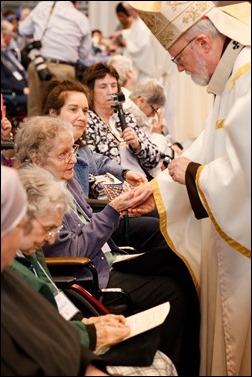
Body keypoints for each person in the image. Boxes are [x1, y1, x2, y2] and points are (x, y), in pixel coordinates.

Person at [14, 115, 201, 376]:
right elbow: (73, 252)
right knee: (172, 290)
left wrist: (114, 210)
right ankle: (175, 363)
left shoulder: (64, 179)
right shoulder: (36, 195)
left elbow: (87, 221)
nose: (73, 159)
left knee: (177, 262)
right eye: (63, 154)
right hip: (89, 274)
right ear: (36, 160)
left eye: (73, 151)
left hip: (104, 259)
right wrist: (113, 211)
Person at [126, 1, 251, 376]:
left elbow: (244, 174)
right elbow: (208, 148)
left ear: (203, 42)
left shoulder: (246, 77)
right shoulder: (232, 77)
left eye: (178, 57)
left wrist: (195, 175)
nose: (178, 68)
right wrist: (158, 189)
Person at [1, 165, 109, 376]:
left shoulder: (27, 257)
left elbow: (50, 315)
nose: (51, 239)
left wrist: (84, 323)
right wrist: (89, 333)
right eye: (47, 229)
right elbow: (34, 342)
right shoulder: (12, 271)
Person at [40, 79, 164, 251]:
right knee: (159, 227)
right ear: (53, 114)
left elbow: (100, 161)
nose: (82, 117)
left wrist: (125, 173)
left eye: (85, 111)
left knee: (163, 213)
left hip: (99, 216)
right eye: (73, 109)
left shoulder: (81, 147)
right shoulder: (45, 153)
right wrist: (115, 206)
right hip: (89, 225)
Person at [82, 62, 161, 179]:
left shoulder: (126, 117)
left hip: (142, 180)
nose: (110, 91)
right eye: (103, 87)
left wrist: (138, 145)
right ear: (91, 91)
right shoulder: (87, 121)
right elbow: (92, 165)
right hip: (116, 186)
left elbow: (154, 160)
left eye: (113, 85)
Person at [18, 1, 92, 116]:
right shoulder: (81, 19)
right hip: (64, 69)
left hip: (39, 65)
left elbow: (23, 30)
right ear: (76, 2)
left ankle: (33, 134)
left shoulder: (43, 6)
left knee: (35, 112)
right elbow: (84, 53)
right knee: (61, 114)